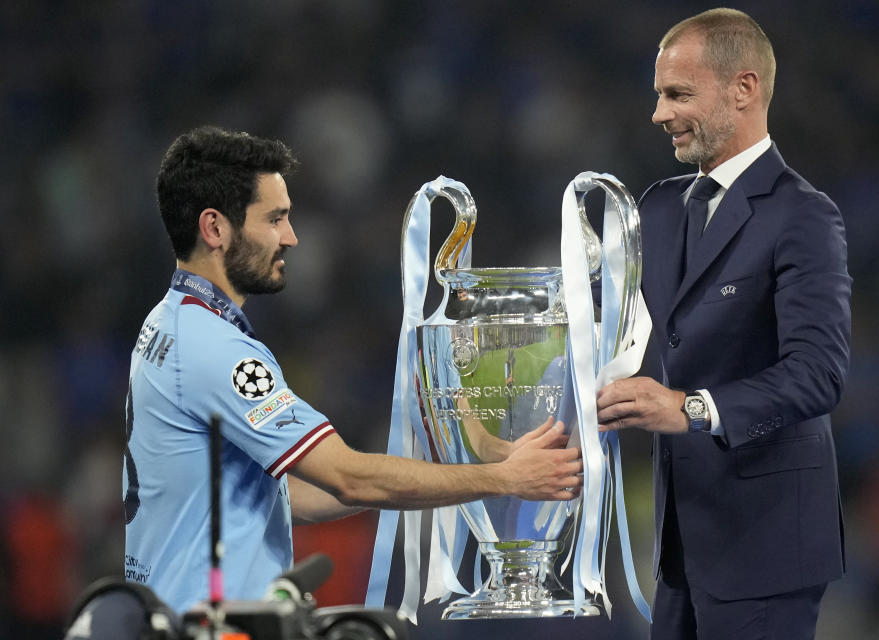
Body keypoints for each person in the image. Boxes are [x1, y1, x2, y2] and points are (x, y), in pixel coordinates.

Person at [122, 126, 582, 614]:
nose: (291, 237)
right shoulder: (214, 348)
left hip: (177, 613)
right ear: (214, 228)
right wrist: (506, 478)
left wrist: (449, 459)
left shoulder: (168, 322)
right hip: (209, 624)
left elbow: (291, 497)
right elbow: (349, 478)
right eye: (275, 219)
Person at [595, 9, 851, 640]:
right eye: (659, 94)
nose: (659, 113)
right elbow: (625, 343)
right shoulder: (656, 208)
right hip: (680, 546)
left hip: (766, 545)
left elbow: (819, 374)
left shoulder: (803, 216)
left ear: (744, 89)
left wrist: (693, 408)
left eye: (677, 94)